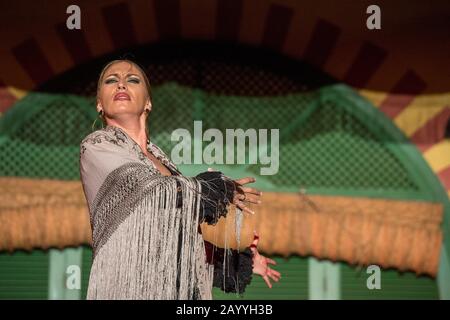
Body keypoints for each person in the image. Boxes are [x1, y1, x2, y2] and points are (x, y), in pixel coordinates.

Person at [79, 59, 281, 299]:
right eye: (111, 80)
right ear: (100, 104)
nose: (121, 84)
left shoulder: (165, 164)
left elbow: (177, 240)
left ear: (148, 102)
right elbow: (152, 193)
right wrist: (213, 187)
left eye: (132, 80)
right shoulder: (96, 146)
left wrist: (236, 262)